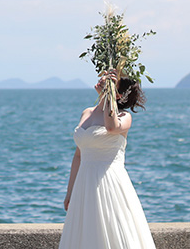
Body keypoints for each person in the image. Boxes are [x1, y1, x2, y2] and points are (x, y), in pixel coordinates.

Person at [60, 71, 156, 249]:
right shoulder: (87, 113)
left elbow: (111, 127)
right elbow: (78, 155)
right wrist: (70, 191)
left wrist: (108, 97)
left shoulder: (124, 117)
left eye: (110, 82)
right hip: (84, 184)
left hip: (109, 182)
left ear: (117, 93)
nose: (102, 80)